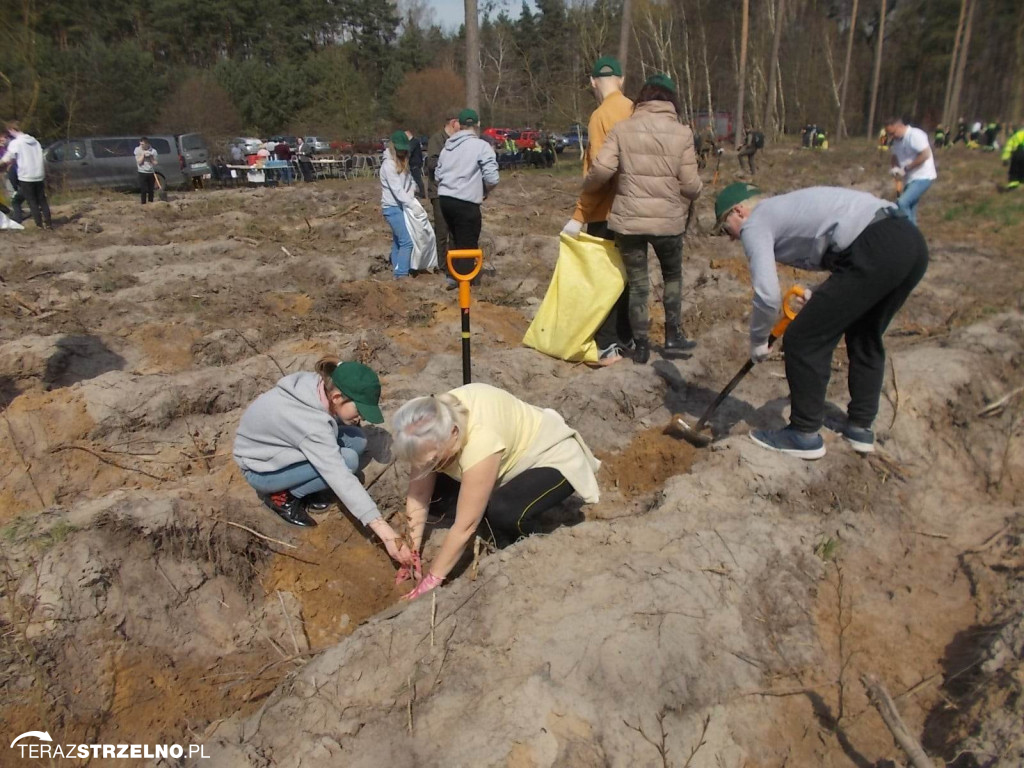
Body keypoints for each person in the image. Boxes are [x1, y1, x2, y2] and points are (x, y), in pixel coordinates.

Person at [714, 182, 928, 459]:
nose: (730, 238)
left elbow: (767, 296)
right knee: (865, 333)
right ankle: (860, 428)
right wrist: (822, 294)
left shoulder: (756, 221)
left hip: (877, 245)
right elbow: (849, 251)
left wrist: (757, 341)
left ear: (739, 211)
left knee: (804, 339)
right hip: (909, 244)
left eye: (724, 228)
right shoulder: (786, 208)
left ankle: (803, 434)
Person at [391, 383, 600, 600]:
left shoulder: (481, 442)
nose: (431, 464)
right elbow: (419, 494)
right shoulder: (427, 422)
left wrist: (432, 580)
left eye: (434, 459)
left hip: (548, 457)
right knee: (437, 497)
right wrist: (412, 549)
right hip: (502, 461)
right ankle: (487, 504)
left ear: (454, 433)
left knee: (504, 513)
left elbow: (465, 526)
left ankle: (529, 541)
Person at [233, 358, 410, 560]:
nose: (362, 418)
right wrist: (386, 534)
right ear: (336, 397)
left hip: (278, 450)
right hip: (261, 471)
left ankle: (308, 489)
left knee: (358, 440)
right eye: (359, 410)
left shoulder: (317, 385)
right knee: (348, 461)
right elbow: (339, 476)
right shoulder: (310, 425)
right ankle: (282, 497)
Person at [582, 73, 702, 365]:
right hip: (668, 223)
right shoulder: (682, 133)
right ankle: (673, 336)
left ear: (642, 100)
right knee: (672, 276)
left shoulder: (623, 129)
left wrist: (588, 186)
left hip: (629, 222)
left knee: (638, 284)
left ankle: (642, 346)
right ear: (671, 101)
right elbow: (690, 185)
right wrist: (693, 192)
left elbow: (601, 170)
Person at [562, 55, 636, 365]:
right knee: (629, 276)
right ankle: (628, 338)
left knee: (603, 278)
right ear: (621, 80)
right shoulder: (636, 110)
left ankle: (607, 347)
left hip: (606, 211)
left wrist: (578, 216)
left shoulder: (599, 117)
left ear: (593, 83)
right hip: (637, 210)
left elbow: (598, 174)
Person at [435, 108, 500, 285]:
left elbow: (437, 175)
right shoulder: (481, 147)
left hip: (445, 200)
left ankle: (452, 276)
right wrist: (484, 191)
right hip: (466, 201)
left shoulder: (447, 147)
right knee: (468, 241)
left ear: (459, 125)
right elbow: (492, 177)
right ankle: (466, 282)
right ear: (477, 125)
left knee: (454, 237)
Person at [427, 113, 461, 287]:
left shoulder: (458, 141)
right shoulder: (436, 139)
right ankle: (442, 266)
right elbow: (431, 164)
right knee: (442, 232)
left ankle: (453, 265)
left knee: (454, 232)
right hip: (439, 193)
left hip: (455, 193)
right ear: (453, 123)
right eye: (459, 124)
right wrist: (449, 161)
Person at [885, 116, 937, 226]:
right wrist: (895, 168)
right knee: (911, 208)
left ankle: (909, 233)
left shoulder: (915, 135)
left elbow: (925, 154)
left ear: (899, 126)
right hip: (909, 178)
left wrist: (907, 168)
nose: (892, 137)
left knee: (902, 203)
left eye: (893, 133)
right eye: (890, 134)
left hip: (923, 176)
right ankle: (914, 235)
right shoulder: (896, 141)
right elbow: (894, 156)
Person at [380, 130, 418, 280]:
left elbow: (410, 182)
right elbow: (397, 190)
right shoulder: (388, 166)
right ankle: (402, 274)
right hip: (392, 208)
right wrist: (410, 203)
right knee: (407, 242)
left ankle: (397, 269)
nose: (402, 152)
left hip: (402, 207)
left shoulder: (402, 163)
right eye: (400, 149)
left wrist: (414, 190)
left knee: (398, 242)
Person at [0, 122, 51, 229]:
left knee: (31, 201)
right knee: (42, 200)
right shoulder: (35, 141)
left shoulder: (16, 143)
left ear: (12, 130)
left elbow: (8, 157)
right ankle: (49, 223)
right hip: (39, 174)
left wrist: (2, 162)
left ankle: (39, 225)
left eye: (10, 132)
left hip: (26, 175)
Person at [1001, 126, 1024, 190]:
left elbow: (1009, 146)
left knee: (1014, 169)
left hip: (1017, 154)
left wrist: (1005, 158)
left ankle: (1013, 184)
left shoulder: (1018, 134)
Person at [404, 130, 425, 198]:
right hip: (413, 162)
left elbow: (410, 150)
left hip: (415, 162)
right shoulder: (413, 142)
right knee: (415, 178)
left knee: (417, 178)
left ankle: (422, 193)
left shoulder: (414, 141)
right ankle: (418, 191)